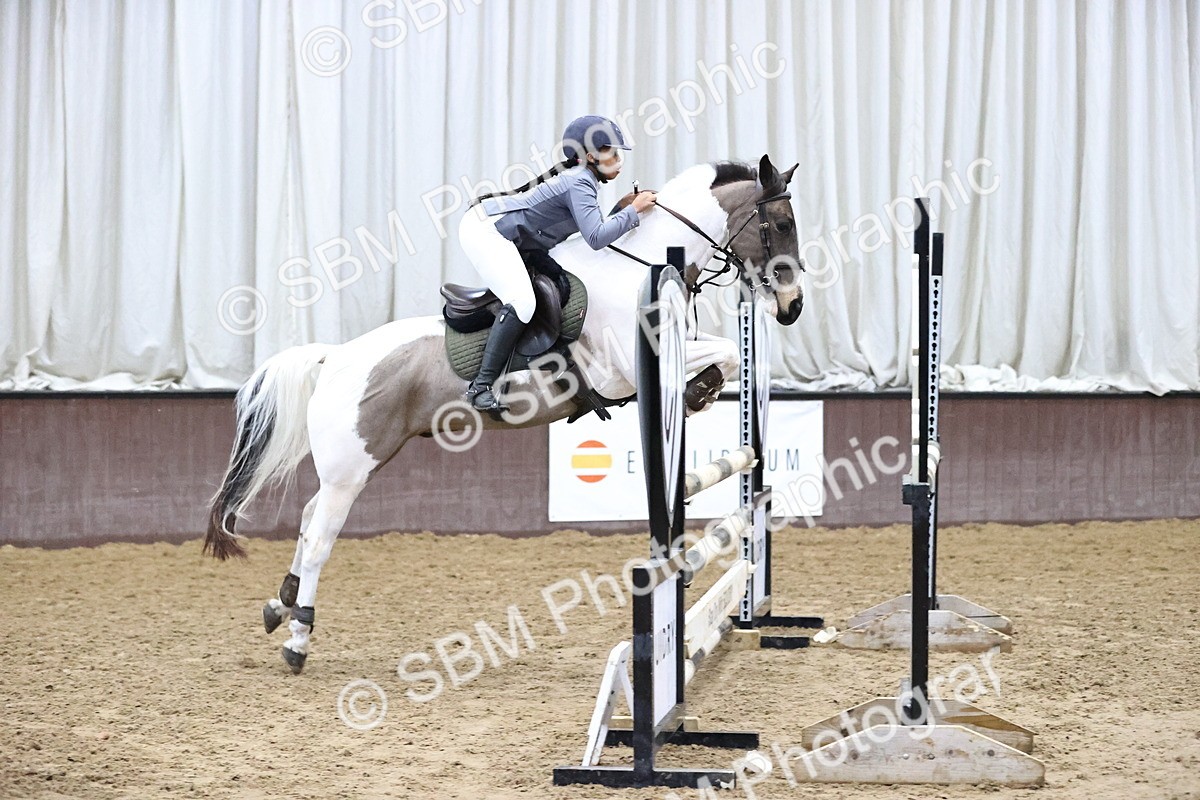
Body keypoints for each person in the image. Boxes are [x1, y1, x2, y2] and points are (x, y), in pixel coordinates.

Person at [457, 115, 658, 412]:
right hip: (486, 231)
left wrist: (624, 208)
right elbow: (596, 238)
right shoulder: (579, 181)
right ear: (590, 156)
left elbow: (594, 228)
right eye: (612, 152)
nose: (618, 160)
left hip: (510, 234)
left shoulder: (583, 178)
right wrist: (634, 211)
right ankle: (480, 387)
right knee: (523, 302)